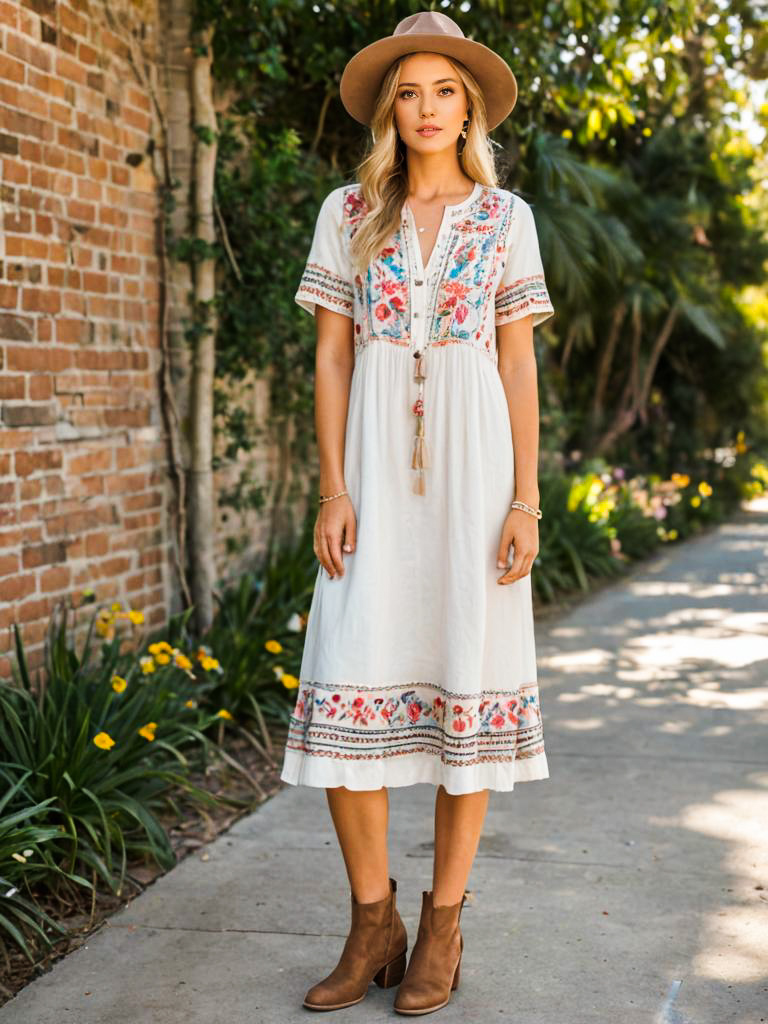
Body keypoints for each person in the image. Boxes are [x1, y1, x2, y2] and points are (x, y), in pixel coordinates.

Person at [279, 10, 555, 1016]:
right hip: (373, 476)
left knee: (461, 690)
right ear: (389, 108)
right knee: (344, 669)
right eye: (410, 90)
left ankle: (442, 927)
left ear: (469, 107)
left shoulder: (505, 216)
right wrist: (333, 487)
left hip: (479, 476)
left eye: (445, 90)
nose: (428, 107)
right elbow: (332, 355)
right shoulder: (347, 209)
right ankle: (372, 920)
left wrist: (525, 496)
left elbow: (517, 359)